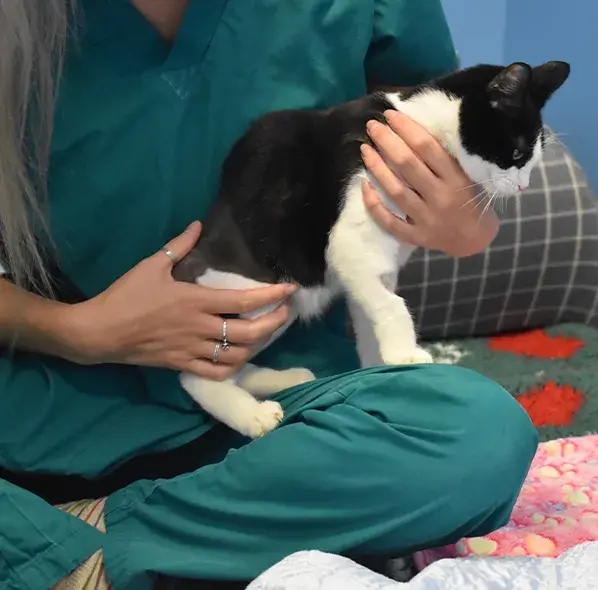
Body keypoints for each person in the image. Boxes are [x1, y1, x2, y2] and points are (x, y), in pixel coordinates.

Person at [0, 2, 538, 588]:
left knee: (478, 436)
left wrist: (466, 223)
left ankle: (75, 549)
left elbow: (442, 158)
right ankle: (167, 552)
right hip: (42, 413)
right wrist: (77, 332)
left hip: (280, 421)